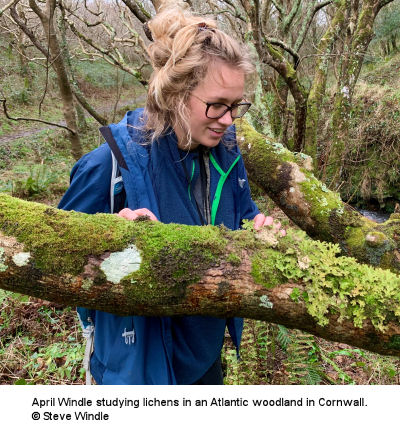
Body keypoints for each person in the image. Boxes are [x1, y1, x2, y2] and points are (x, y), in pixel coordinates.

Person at [58, 6, 280, 385]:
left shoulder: (226, 153)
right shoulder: (109, 165)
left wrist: (258, 230)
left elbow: (242, 214)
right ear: (177, 94)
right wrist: (106, 235)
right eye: (216, 105)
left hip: (205, 360)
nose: (228, 120)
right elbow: (57, 253)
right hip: (137, 369)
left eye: (236, 106)